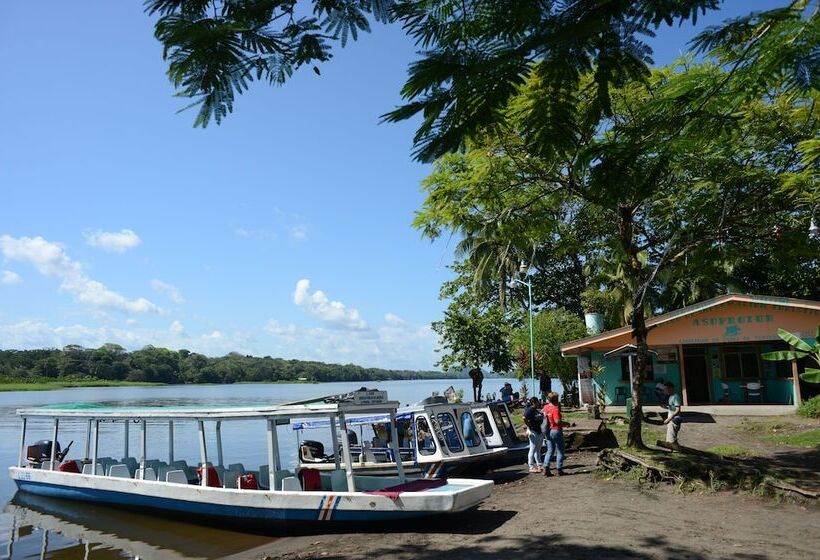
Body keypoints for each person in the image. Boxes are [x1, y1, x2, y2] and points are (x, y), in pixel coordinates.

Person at [542, 391, 573, 476]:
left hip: (547, 431)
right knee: (560, 450)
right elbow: (557, 421)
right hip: (555, 430)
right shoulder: (555, 409)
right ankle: (559, 469)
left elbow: (543, 415)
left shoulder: (545, 407)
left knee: (550, 450)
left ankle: (546, 467)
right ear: (556, 399)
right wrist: (566, 423)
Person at [523, 397, 544, 473]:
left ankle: (539, 465)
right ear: (534, 402)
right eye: (538, 401)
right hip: (533, 431)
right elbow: (524, 417)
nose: (539, 403)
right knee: (532, 449)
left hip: (538, 431)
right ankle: (531, 466)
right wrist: (530, 426)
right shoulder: (530, 409)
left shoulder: (535, 410)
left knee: (538, 449)